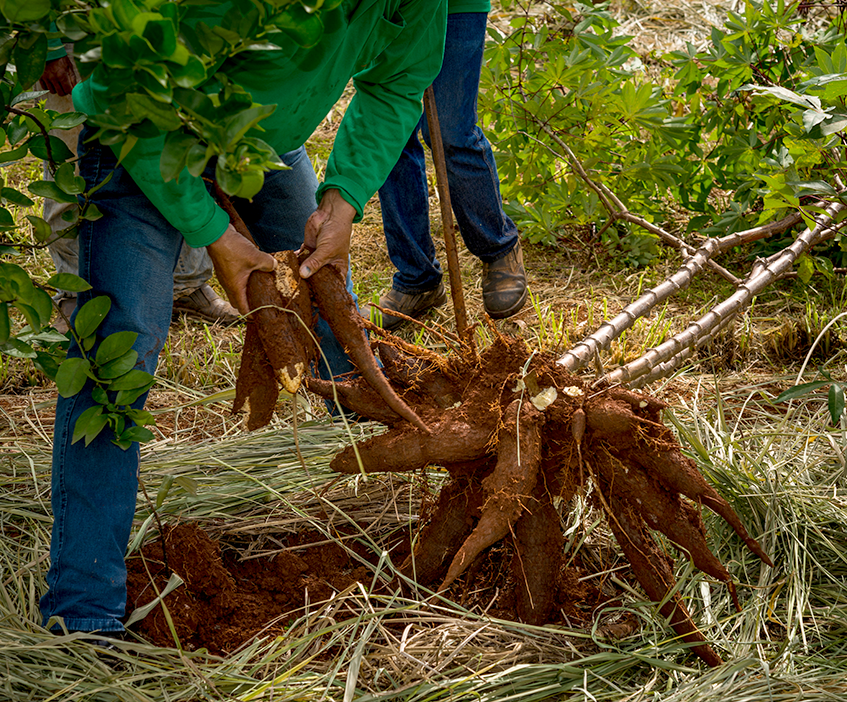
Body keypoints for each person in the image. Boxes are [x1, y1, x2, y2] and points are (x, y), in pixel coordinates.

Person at [40, 0, 446, 638]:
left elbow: (397, 82)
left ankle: (422, 509)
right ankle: (84, 609)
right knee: (117, 355)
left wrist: (343, 200)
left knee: (332, 311)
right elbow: (121, 94)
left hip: (258, 144)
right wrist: (215, 237)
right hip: (140, 132)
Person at [38, 54, 239, 331]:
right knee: (75, 162)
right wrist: (50, 48)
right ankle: (76, 292)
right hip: (76, 36)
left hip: (154, 37)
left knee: (178, 151)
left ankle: (186, 284)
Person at [376, 0, 526, 331]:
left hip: (455, 6)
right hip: (387, 8)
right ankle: (417, 280)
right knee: (389, 137)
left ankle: (498, 247)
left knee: (450, 132)